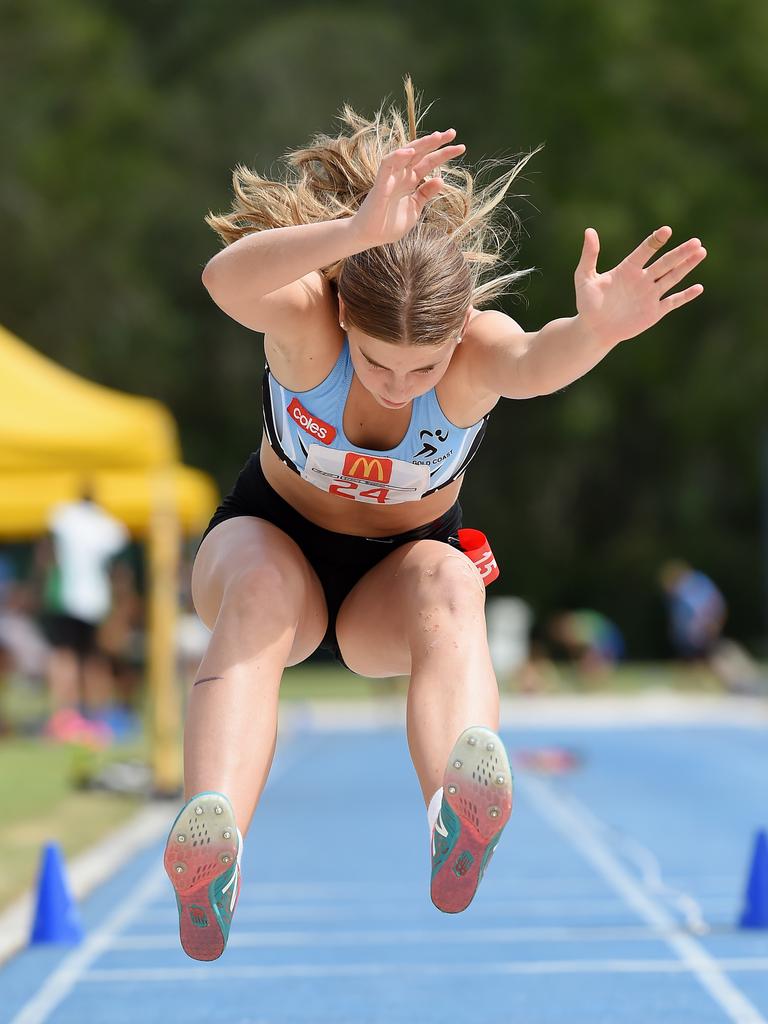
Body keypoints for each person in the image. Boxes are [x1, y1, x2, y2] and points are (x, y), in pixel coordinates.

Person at [164, 77, 707, 961]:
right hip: (273, 544)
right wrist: (351, 235)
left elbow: (537, 360)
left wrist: (599, 330)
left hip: (397, 574)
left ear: (455, 339)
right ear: (345, 316)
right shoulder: (308, 326)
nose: (397, 386)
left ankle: (454, 811)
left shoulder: (477, 353)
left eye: (422, 370)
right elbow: (223, 279)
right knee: (260, 589)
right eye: (379, 364)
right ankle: (211, 841)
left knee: (455, 580)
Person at [38, 483, 129, 726]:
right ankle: (98, 716)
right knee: (93, 658)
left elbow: (47, 555)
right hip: (97, 600)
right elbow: (118, 568)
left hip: (65, 598)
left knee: (63, 655)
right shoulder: (108, 524)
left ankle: (63, 715)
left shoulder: (62, 516)